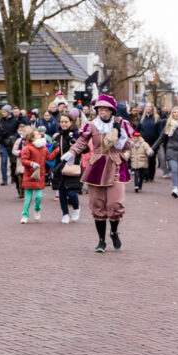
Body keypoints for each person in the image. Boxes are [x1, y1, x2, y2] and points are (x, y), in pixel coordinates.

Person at [61, 94, 135, 253]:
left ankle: (114, 232)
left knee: (115, 204)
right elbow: (81, 142)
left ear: (111, 110)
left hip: (116, 164)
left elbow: (130, 144)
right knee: (97, 204)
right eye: (99, 108)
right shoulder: (92, 125)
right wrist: (71, 153)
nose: (102, 111)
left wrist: (122, 138)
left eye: (105, 108)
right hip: (96, 166)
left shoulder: (121, 124)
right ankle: (101, 240)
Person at [150, 105, 178, 198]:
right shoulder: (168, 124)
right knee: (174, 169)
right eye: (174, 112)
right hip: (171, 150)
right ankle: (175, 187)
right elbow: (161, 138)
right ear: (172, 114)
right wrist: (152, 148)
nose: (176, 114)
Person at [19, 129, 58, 223]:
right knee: (27, 199)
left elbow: (50, 157)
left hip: (40, 175)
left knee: (39, 196)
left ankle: (37, 209)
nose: (40, 135)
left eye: (39, 134)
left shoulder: (44, 147)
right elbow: (23, 160)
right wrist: (31, 164)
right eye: (37, 135)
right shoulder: (28, 147)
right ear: (32, 137)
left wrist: (56, 151)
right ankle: (25, 215)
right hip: (30, 175)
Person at [51, 113, 83, 222]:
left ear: (71, 122)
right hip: (60, 167)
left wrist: (74, 142)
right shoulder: (58, 136)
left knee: (71, 192)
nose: (63, 124)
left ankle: (76, 208)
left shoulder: (76, 135)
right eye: (62, 122)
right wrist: (55, 147)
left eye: (66, 122)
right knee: (62, 192)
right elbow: (54, 153)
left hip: (72, 166)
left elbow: (86, 149)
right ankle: (65, 213)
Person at [136, 103, 161, 182]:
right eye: (147, 107)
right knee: (144, 159)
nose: (149, 108)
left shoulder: (157, 118)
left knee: (152, 160)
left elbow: (160, 131)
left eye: (150, 107)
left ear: (153, 108)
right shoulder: (142, 118)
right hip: (143, 142)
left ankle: (151, 176)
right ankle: (145, 176)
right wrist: (136, 138)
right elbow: (137, 130)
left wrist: (160, 142)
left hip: (153, 142)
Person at [0, 105, 19, 186]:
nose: (3, 113)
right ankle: (4, 180)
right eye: (2, 112)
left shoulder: (15, 121)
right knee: (3, 161)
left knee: (13, 162)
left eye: (4, 112)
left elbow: (19, 131)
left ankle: (14, 177)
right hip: (3, 144)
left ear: (8, 112)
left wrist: (14, 136)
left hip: (13, 144)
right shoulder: (0, 121)